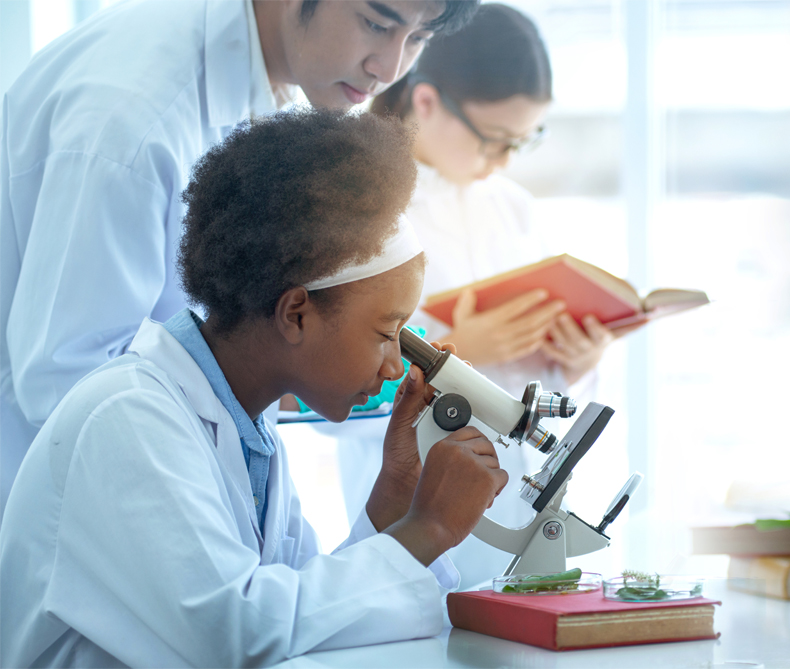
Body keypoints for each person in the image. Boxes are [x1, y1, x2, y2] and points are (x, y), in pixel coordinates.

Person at [0, 109, 508, 667]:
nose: (395, 367)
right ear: (295, 314)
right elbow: (235, 638)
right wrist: (430, 527)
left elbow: (304, 618)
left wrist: (394, 500)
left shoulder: (248, 430)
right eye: (387, 333)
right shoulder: (130, 417)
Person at [0, 0, 479, 518]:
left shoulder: (275, 87)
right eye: (377, 24)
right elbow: (71, 390)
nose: (388, 68)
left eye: (419, 38)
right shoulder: (134, 120)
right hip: (81, 519)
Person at [331, 3, 643, 587]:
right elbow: (328, 387)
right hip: (416, 499)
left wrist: (577, 362)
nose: (502, 160)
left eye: (521, 143)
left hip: (521, 495)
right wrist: (452, 348)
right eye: (494, 139)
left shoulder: (514, 209)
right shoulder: (366, 213)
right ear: (426, 103)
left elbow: (541, 383)